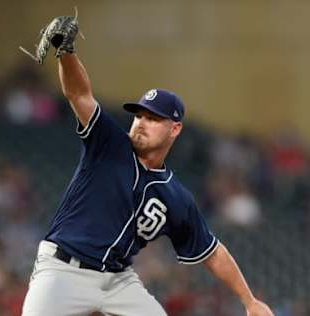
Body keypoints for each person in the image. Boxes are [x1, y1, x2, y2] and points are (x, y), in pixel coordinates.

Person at [21, 25, 274, 316]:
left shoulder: (175, 196)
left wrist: (249, 301)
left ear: (175, 128)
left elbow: (213, 252)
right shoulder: (109, 145)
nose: (141, 122)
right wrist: (66, 52)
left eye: (153, 118)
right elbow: (79, 94)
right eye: (139, 115)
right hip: (64, 271)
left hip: (118, 281)